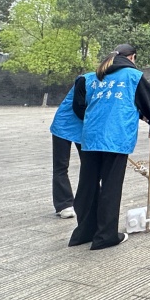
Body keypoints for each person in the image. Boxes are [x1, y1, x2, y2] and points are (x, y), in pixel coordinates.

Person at [69, 44, 150, 250]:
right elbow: (148, 103)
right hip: (116, 138)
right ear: (132, 57)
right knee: (110, 187)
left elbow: (78, 107)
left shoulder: (89, 77)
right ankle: (105, 236)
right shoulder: (133, 76)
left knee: (87, 185)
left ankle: (84, 232)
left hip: (91, 137)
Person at [49, 76, 87, 219]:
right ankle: (64, 204)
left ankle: (88, 200)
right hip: (64, 125)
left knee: (89, 166)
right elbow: (78, 107)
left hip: (84, 127)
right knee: (61, 165)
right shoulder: (85, 80)